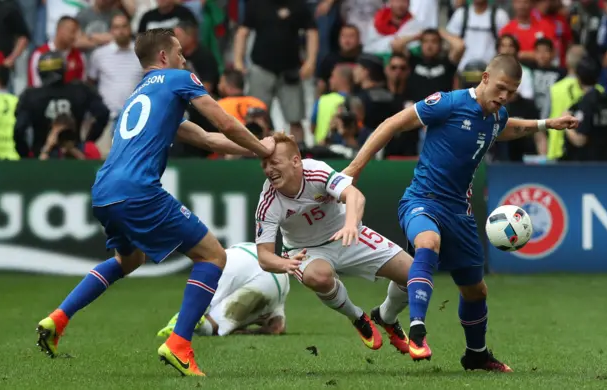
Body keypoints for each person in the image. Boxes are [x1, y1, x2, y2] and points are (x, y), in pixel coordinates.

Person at [35, 28, 275, 377]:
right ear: (164, 57)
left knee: (129, 259)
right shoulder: (178, 78)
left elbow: (208, 138)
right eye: (179, 52)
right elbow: (221, 120)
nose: (184, 58)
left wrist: (257, 149)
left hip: (104, 190)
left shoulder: (139, 96)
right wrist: (262, 147)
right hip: (138, 190)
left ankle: (57, 319)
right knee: (213, 255)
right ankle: (180, 344)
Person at [342, 54, 578, 371]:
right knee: (428, 242)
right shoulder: (448, 103)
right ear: (484, 78)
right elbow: (392, 124)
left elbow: (503, 128)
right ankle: (417, 331)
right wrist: (355, 170)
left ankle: (476, 355)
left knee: (475, 289)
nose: (505, 96)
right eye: (501, 88)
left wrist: (545, 124)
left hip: (459, 211)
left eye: (511, 91)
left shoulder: (497, 114)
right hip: (421, 199)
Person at [255, 132, 414, 354]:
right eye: (264, 164)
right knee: (317, 277)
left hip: (346, 233)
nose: (268, 169)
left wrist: (350, 225)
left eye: (274, 162)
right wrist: (285, 265)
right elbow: (264, 256)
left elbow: (355, 196)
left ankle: (386, 316)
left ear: (295, 161)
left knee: (413, 274)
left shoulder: (316, 171)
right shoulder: (268, 201)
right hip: (305, 250)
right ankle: (356, 317)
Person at [157, 242, 289, 337]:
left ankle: (186, 325)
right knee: (273, 320)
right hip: (277, 270)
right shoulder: (228, 254)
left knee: (210, 323)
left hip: (256, 278)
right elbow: (278, 327)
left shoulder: (214, 266)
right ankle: (189, 320)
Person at [14, 51, 110, 158]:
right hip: (74, 153)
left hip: (41, 155)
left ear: (40, 72)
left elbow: (19, 129)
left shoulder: (30, 95)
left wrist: (26, 155)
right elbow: (103, 113)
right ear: (64, 68)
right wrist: (87, 141)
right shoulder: (80, 90)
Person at [562, 56, 607, 162]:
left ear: (578, 78)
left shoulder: (586, 103)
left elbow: (580, 140)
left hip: (589, 167)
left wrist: (566, 123)